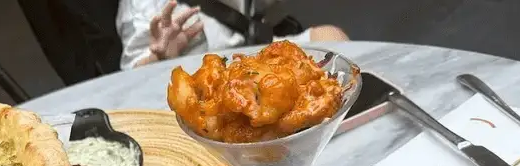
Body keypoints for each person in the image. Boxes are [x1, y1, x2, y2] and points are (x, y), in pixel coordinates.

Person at [116, 0, 348, 69]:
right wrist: (160, 56)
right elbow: (132, 72)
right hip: (197, 72)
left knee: (331, 36)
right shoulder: (141, 4)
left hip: (256, 51)